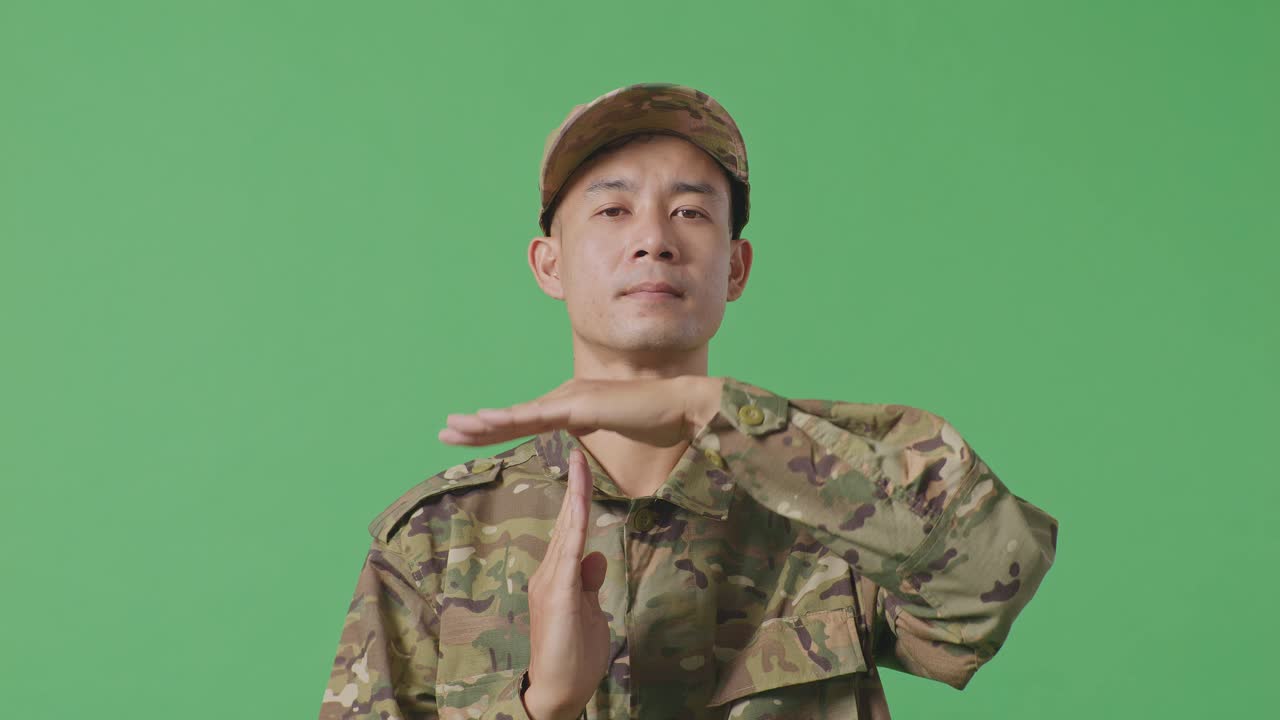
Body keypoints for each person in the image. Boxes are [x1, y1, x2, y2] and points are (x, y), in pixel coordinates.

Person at [318, 83, 1059, 720]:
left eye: (691, 213)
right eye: (612, 211)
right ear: (550, 264)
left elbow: (993, 579)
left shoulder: (823, 507)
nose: (654, 240)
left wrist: (718, 413)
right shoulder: (435, 543)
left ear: (735, 268)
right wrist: (543, 705)